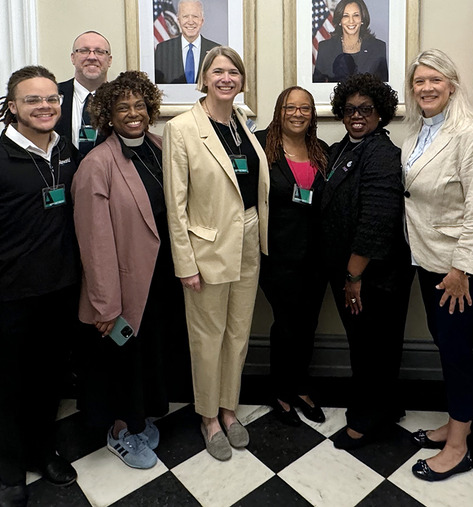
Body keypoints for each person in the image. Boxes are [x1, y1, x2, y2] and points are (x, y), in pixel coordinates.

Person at [0, 66, 81, 507]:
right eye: (32, 100)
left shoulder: (68, 153)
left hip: (61, 294)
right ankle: (9, 469)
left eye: (50, 99)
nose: (44, 107)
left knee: (50, 384)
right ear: (12, 106)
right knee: (11, 389)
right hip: (9, 300)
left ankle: (44, 452)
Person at [400, 50, 473, 481]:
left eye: (434, 80)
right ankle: (454, 423)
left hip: (458, 271)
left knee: (457, 353)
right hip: (427, 260)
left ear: (452, 85)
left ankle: (459, 447)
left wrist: (461, 270)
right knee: (446, 347)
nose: (426, 87)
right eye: (419, 81)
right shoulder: (417, 132)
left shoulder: (471, 136)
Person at [72, 71, 183, 470]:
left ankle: (139, 419)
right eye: (123, 108)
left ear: (151, 108)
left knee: (148, 357)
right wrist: (105, 306)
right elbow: (94, 243)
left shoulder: (158, 146)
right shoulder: (96, 164)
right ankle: (120, 431)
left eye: (139, 106)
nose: (133, 114)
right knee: (120, 362)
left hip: (159, 280)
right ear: (108, 115)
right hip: (120, 289)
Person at [163, 46, 269, 461]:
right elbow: (176, 204)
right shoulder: (183, 127)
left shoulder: (242, 122)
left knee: (238, 334)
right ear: (204, 77)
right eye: (219, 71)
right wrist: (185, 263)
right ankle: (207, 417)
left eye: (234, 72)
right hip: (207, 248)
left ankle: (229, 409)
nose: (227, 78)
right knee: (208, 338)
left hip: (247, 239)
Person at [321, 73, 412, 450]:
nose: (357, 115)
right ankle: (387, 406)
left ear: (382, 113)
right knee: (376, 344)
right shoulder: (343, 147)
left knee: (370, 348)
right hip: (355, 270)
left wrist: (353, 276)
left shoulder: (381, 154)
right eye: (350, 109)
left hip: (374, 275)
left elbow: (376, 221)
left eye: (366, 109)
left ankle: (363, 420)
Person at [255, 87, 329, 426]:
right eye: (290, 107)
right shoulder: (260, 148)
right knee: (286, 324)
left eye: (305, 108)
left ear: (312, 114)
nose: (298, 114)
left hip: (315, 256)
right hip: (277, 254)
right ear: (279, 110)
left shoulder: (321, 151)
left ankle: (300, 386)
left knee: (308, 323)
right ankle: (280, 391)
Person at [58, 31, 112, 155]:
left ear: (109, 60)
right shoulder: (52, 96)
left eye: (99, 51)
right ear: (73, 57)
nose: (92, 57)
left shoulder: (121, 98)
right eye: (84, 51)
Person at [313, 0, 388, 83]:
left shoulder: (378, 47)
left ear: (362, 19)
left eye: (356, 15)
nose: (351, 21)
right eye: (346, 16)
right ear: (340, 21)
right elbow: (317, 85)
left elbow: (384, 85)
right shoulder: (325, 48)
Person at [155, 0, 221, 85]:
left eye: (195, 16)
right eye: (185, 16)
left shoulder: (216, 50)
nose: (190, 22)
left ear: (202, 21)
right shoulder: (163, 49)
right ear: (178, 20)